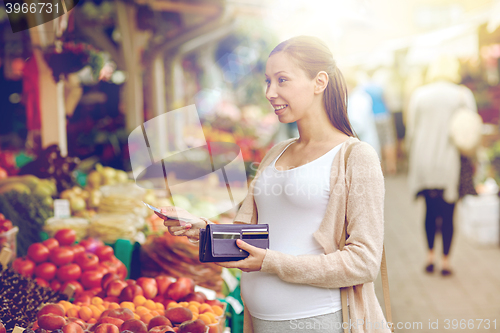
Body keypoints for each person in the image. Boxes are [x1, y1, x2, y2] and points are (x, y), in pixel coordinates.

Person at [157, 36, 390, 333]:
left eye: (282, 80)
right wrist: (204, 230)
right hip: (261, 322)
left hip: (317, 321)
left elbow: (365, 261)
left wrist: (272, 262)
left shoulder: (356, 157)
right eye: (268, 81)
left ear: (319, 82)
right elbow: (254, 236)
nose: (270, 92)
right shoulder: (275, 153)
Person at [406, 55, 477, 277]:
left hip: (424, 160)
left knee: (429, 209)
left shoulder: (419, 95)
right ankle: (445, 261)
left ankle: (429, 256)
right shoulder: (462, 95)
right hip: (450, 161)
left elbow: (411, 132)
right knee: (448, 212)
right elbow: (471, 129)